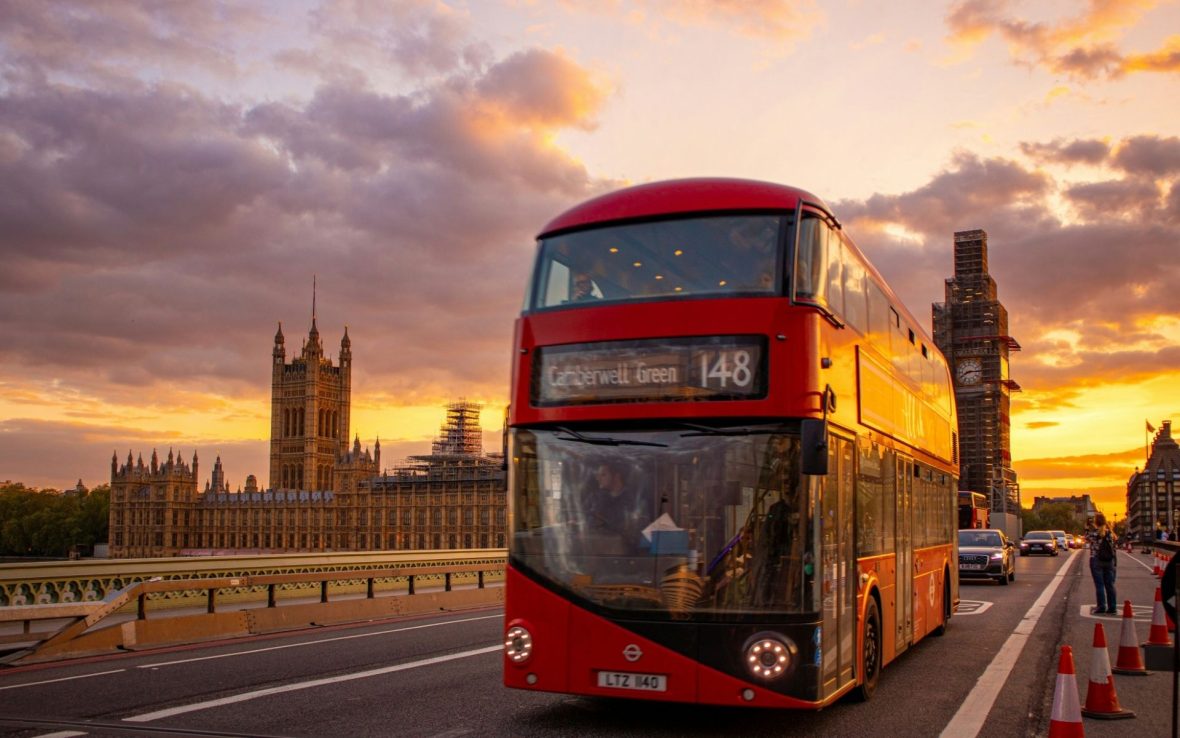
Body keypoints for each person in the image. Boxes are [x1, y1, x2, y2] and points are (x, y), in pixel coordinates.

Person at [1089, 513, 1118, 615]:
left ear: (1095, 522)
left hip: (1097, 560)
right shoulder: (1110, 533)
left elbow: (1087, 539)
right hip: (1109, 561)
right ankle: (1112, 607)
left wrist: (1087, 528)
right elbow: (1114, 548)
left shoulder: (1094, 533)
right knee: (1110, 585)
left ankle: (1101, 606)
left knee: (1099, 585)